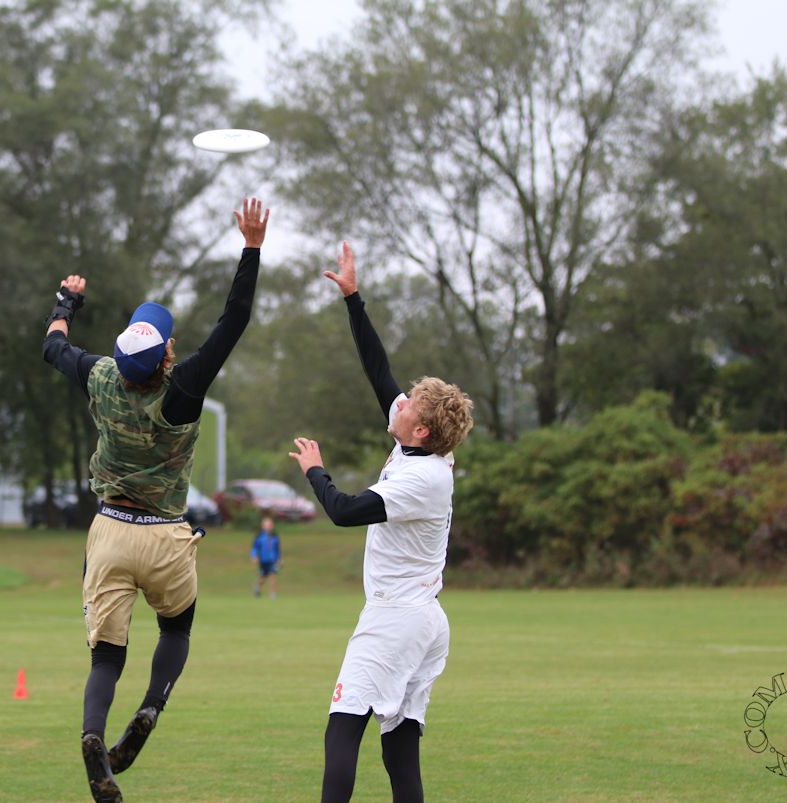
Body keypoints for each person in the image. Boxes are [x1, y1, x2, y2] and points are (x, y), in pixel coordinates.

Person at [42, 198, 270, 803]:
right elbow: (234, 321)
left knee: (105, 658)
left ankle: (93, 735)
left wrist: (66, 302)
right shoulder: (184, 389)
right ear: (168, 350)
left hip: (110, 533)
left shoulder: (100, 376)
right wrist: (250, 248)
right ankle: (150, 708)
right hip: (166, 535)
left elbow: (54, 347)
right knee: (176, 628)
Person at [287, 241, 474, 803]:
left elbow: (344, 511)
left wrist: (315, 471)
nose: (400, 404)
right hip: (423, 619)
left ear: (422, 430)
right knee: (399, 748)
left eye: (410, 405)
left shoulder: (424, 478)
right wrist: (353, 297)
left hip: (396, 617)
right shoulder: (416, 446)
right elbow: (377, 369)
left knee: (342, 729)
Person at [250, 515, 281, 598]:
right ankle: (257, 587)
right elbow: (255, 548)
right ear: (263, 527)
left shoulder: (275, 537)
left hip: (272, 560)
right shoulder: (259, 537)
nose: (269, 527)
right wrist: (254, 556)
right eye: (267, 525)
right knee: (263, 577)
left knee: (273, 575)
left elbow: (277, 549)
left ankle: (273, 594)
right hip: (263, 560)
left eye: (270, 525)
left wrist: (279, 559)